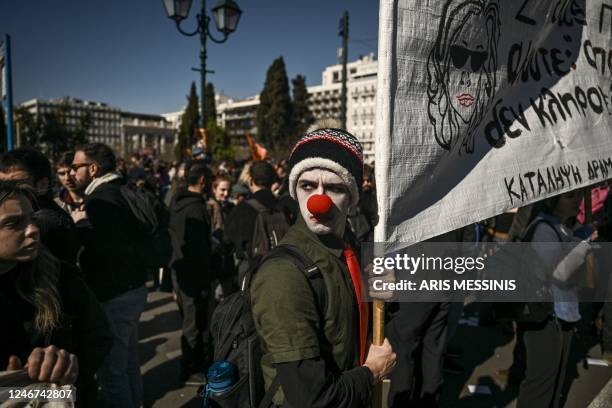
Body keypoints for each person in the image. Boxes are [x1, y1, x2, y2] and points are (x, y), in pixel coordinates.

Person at [251, 128, 396, 407]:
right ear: (295, 190)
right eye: (307, 186)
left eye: (334, 188)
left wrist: (382, 296)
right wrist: (372, 373)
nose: (319, 201)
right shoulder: (283, 276)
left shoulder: (347, 247)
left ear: (352, 196)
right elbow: (311, 399)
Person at [0, 180, 113, 407]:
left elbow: (99, 337)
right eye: (13, 223)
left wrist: (67, 368)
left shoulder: (60, 276)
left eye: (32, 218)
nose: (33, 229)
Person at [69, 143, 149, 408]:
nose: (71, 173)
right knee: (128, 363)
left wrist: (81, 229)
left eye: (76, 167)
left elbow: (108, 250)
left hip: (116, 293)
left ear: (93, 169)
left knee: (113, 374)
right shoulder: (123, 190)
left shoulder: (101, 200)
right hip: (133, 287)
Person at [516, 191, 597, 407]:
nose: (577, 200)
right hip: (544, 318)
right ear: (552, 200)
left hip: (563, 315)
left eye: (579, 195)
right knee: (540, 385)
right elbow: (560, 273)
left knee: (556, 381)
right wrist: (582, 242)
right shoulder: (543, 228)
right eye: (570, 196)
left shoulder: (563, 227)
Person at [169, 162, 214, 384]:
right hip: (194, 275)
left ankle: (191, 363)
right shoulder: (196, 208)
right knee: (194, 322)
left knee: (189, 320)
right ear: (204, 181)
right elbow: (199, 249)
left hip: (180, 271)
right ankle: (191, 367)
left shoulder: (177, 203)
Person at [0, 148, 80, 265]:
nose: (7, 191)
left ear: (42, 184)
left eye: (16, 184)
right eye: (2, 184)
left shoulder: (47, 221)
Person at [54, 150, 84, 216]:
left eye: (70, 172)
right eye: (62, 174)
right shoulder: (55, 205)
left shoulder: (98, 199)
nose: (67, 178)